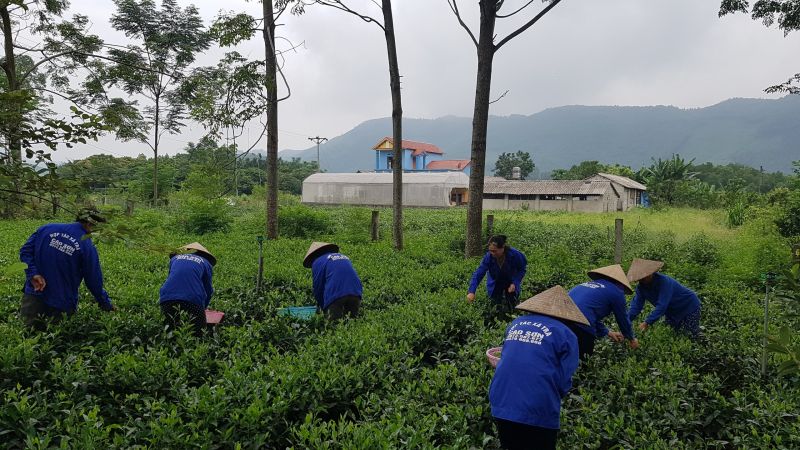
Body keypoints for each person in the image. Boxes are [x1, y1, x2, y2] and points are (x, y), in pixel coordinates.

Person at [489, 285, 586, 450]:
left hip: (501, 400)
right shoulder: (566, 334)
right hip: (538, 406)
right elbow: (564, 381)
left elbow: (510, 357)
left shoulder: (515, 324)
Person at [18, 207, 115, 330]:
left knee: (27, 340)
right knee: (56, 343)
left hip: (33, 295)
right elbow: (93, 281)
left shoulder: (46, 228)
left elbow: (25, 252)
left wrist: (33, 274)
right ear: (91, 224)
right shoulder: (87, 246)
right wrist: (105, 303)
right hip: (61, 304)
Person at [568, 264, 639, 359]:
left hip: (560, 317)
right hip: (581, 324)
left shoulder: (586, 285)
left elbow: (588, 312)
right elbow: (623, 319)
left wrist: (608, 332)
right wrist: (631, 339)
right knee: (584, 359)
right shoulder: (616, 292)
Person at [627, 258, 702, 341]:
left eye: (644, 276)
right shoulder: (641, 288)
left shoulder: (664, 282)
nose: (641, 280)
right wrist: (625, 321)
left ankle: (704, 344)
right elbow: (636, 306)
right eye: (639, 278)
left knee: (691, 334)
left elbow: (662, 305)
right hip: (671, 311)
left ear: (651, 273)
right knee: (673, 334)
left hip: (689, 306)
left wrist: (647, 322)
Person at [159, 242, 216, 334]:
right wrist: (203, 308)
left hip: (167, 297)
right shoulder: (206, 263)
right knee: (198, 332)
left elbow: (172, 278)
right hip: (192, 299)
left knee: (170, 330)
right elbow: (208, 290)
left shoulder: (174, 259)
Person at [467, 235, 528, 315]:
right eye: (490, 251)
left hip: (510, 280)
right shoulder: (488, 257)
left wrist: (515, 282)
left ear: (502, 248)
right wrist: (471, 291)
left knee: (512, 303)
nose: (492, 253)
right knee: (495, 304)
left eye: (494, 251)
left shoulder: (515, 255)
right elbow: (478, 273)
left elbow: (522, 269)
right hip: (496, 281)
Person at [303, 242, 363, 320]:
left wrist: (322, 307)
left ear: (313, 256)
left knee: (334, 326)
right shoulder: (344, 256)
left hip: (335, 294)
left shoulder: (317, 262)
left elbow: (318, 286)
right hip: (356, 292)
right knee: (352, 323)